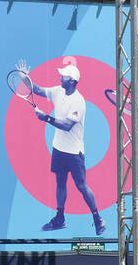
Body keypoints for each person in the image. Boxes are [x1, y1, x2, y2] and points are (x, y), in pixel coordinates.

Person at [15, 59, 104, 236]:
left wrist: (46, 118)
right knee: (60, 183)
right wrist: (25, 78)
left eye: (63, 76)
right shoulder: (58, 91)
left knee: (81, 185)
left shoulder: (78, 102)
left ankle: (97, 218)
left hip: (74, 152)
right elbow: (37, 90)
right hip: (59, 148)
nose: (60, 77)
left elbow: (66, 125)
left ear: (71, 81)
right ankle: (60, 218)